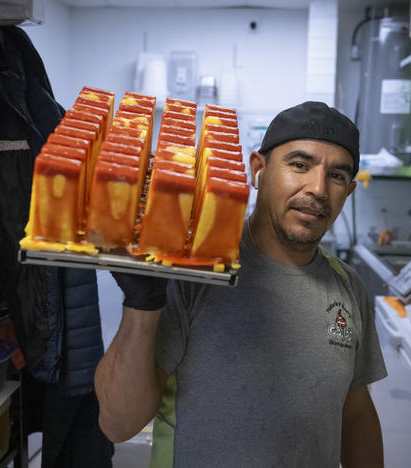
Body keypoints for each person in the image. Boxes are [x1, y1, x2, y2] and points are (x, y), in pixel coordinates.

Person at [94, 101, 387, 467]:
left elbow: (356, 412)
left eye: (338, 176)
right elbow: (117, 423)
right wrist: (142, 303)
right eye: (300, 165)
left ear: (349, 191)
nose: (318, 189)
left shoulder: (349, 287)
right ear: (258, 170)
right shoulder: (196, 273)